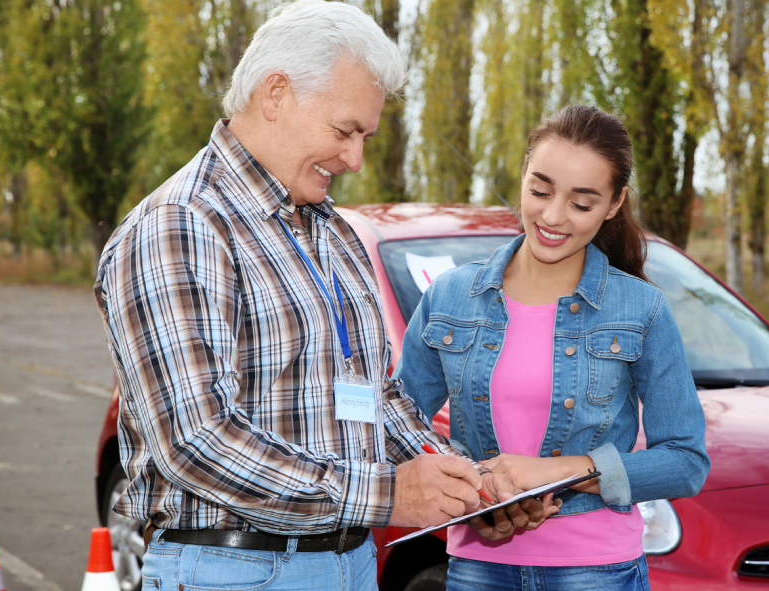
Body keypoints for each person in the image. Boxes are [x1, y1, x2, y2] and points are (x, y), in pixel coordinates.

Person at [93, 2, 525, 590]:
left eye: (366, 137)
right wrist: (390, 495)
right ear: (276, 94)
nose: (355, 159)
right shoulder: (182, 225)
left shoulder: (333, 231)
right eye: (345, 130)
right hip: (235, 570)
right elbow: (195, 442)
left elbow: (376, 400)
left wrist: (466, 485)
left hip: (349, 563)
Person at [394, 105, 710, 591]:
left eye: (582, 203)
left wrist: (557, 472)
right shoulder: (450, 297)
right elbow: (397, 427)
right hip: (477, 566)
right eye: (540, 191)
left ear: (613, 203)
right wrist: (475, 492)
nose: (553, 215)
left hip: (597, 571)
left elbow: (686, 462)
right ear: (523, 178)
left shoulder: (641, 309)